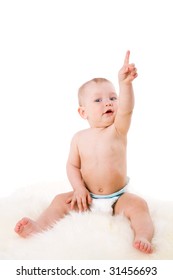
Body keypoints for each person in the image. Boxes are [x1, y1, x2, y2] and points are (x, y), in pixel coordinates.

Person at [14, 51, 154, 254]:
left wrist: (125, 84)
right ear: (83, 112)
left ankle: (143, 236)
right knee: (59, 201)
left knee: (139, 206)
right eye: (98, 100)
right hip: (86, 198)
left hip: (117, 199)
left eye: (112, 98)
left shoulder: (117, 130)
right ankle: (38, 227)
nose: (108, 102)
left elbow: (126, 110)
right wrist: (78, 188)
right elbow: (72, 166)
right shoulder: (79, 138)